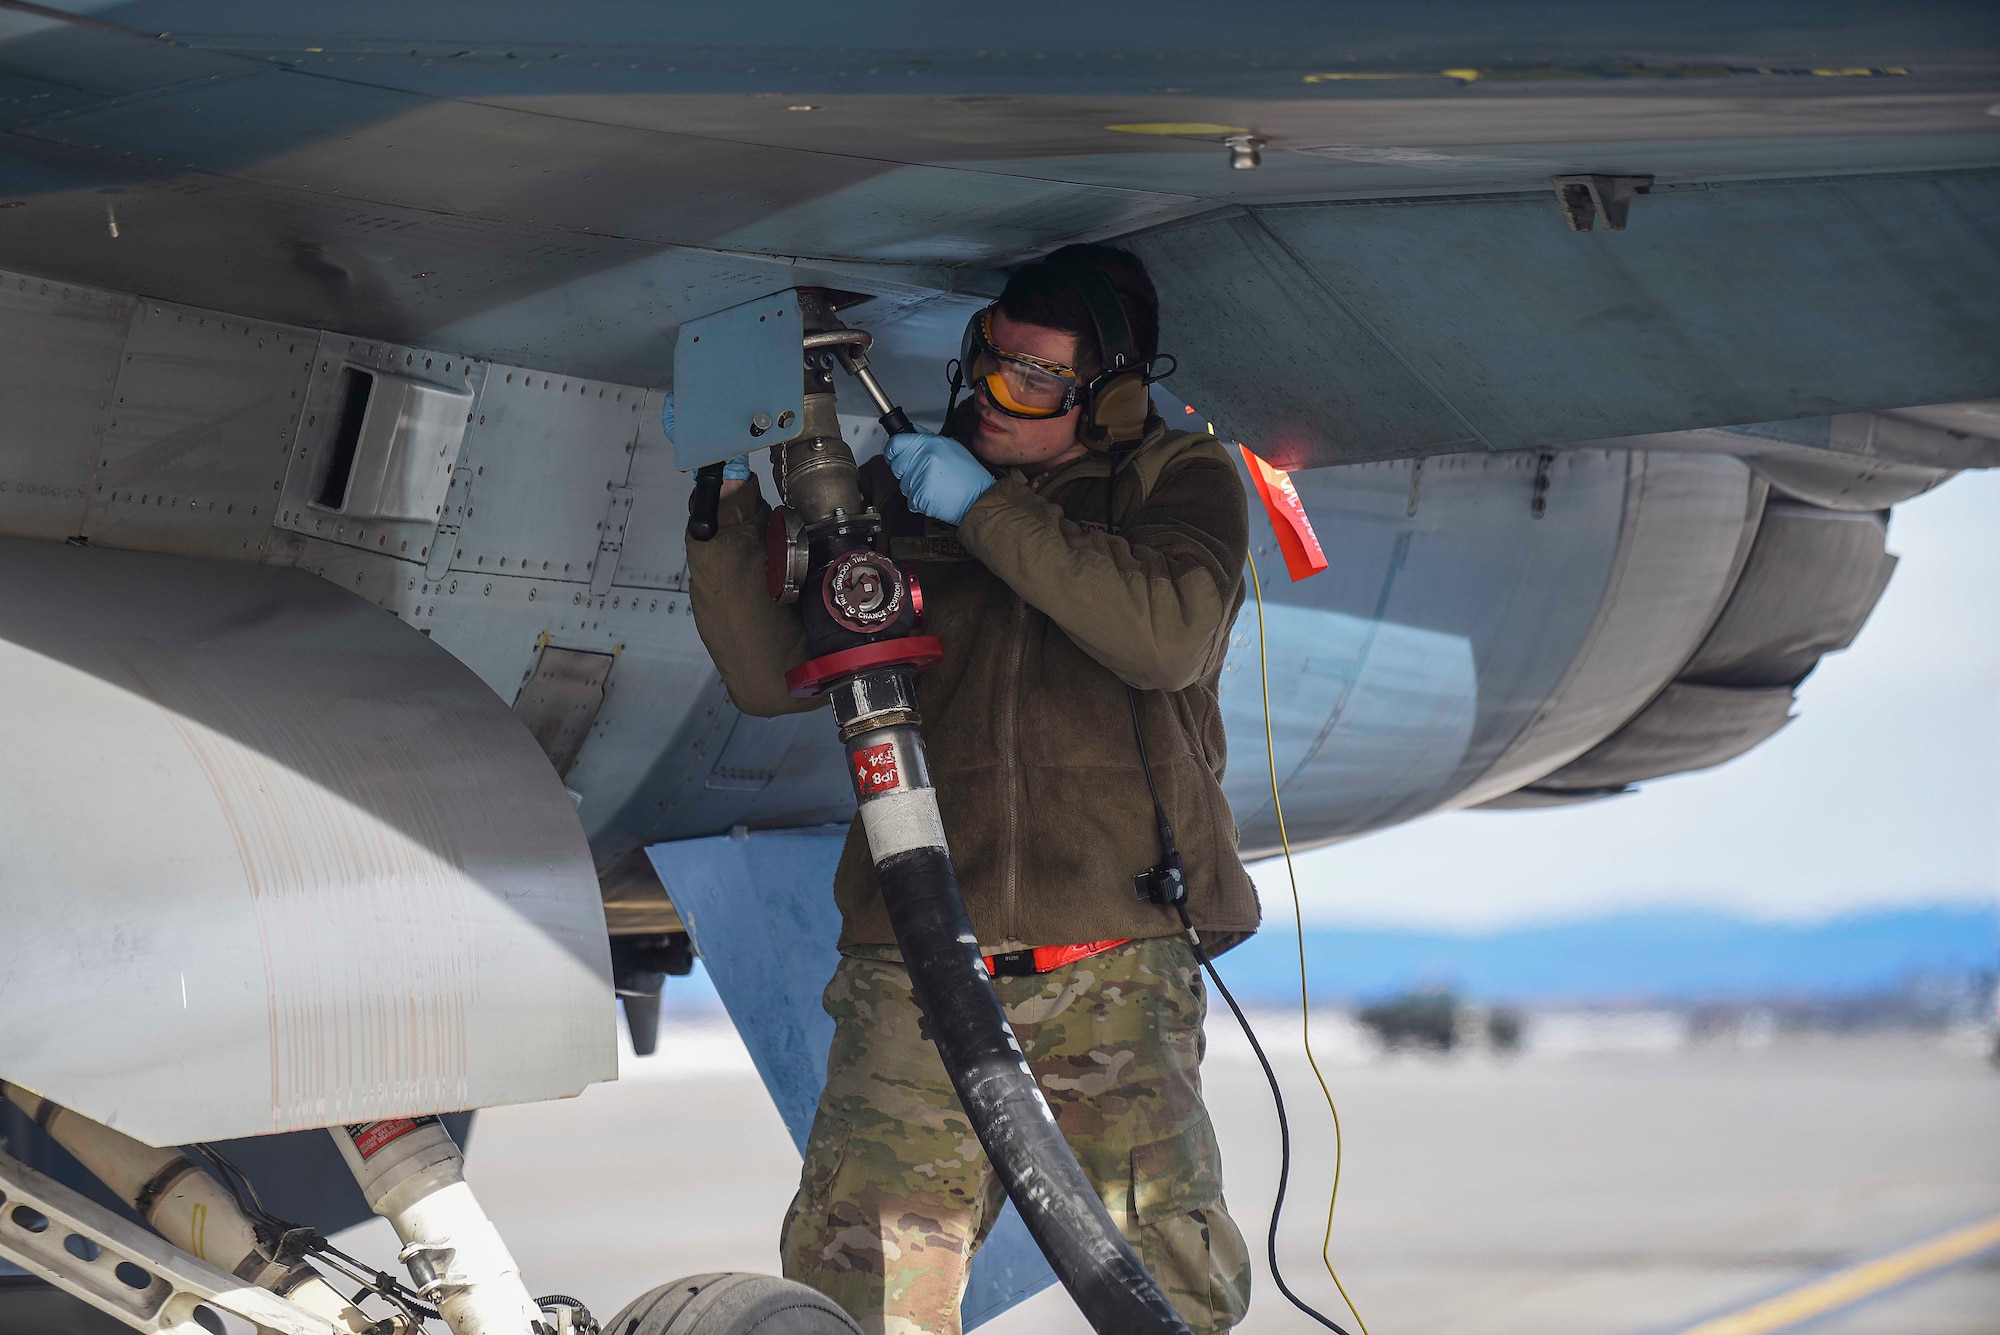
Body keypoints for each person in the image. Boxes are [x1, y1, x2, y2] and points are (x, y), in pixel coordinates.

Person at [686, 243, 1259, 1334]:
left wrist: (986, 509)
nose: (992, 396)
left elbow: (1165, 637)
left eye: (1034, 380)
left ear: (1112, 397)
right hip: (914, 968)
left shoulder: (1170, 484)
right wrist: (723, 504)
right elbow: (768, 680)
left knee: (1163, 1282)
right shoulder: (898, 497)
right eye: (989, 362)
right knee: (866, 1285)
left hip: (1106, 968)